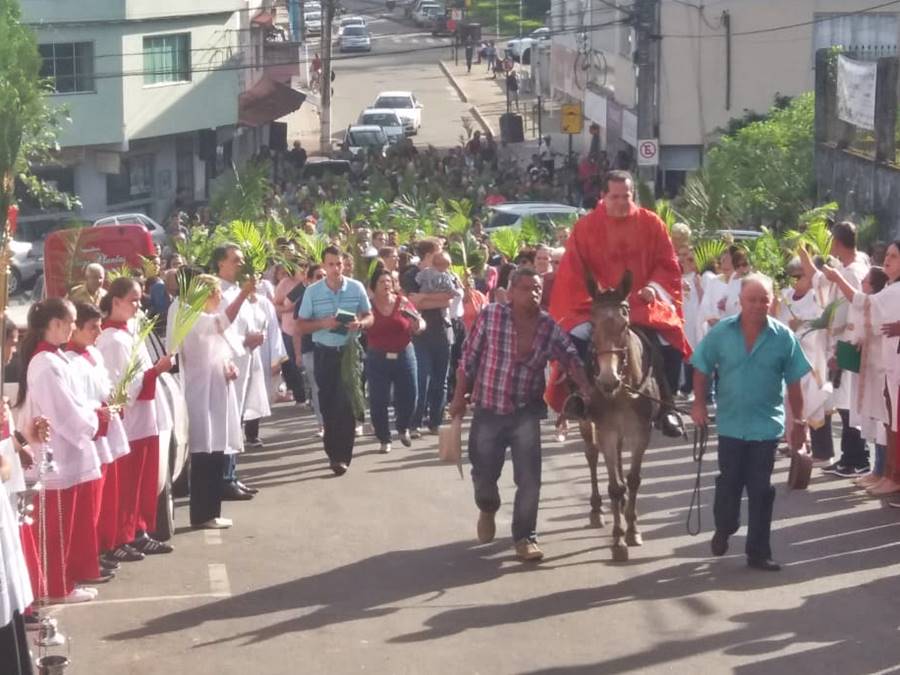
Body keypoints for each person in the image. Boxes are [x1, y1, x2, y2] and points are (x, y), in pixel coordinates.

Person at [449, 268, 591, 561]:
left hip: (525, 412)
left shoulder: (548, 326)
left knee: (529, 480)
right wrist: (459, 396)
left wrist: (588, 390)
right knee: (484, 474)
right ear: (511, 292)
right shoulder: (491, 316)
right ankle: (487, 508)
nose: (533, 293)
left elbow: (571, 359)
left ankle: (525, 537)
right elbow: (468, 358)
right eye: (526, 288)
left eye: (537, 288)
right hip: (488, 408)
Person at [548, 170, 688, 437]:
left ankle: (667, 406)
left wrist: (653, 287)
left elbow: (667, 264)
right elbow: (573, 272)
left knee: (671, 340)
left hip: (640, 304)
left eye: (627, 196)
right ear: (603, 196)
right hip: (596, 305)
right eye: (615, 197)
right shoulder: (585, 227)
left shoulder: (651, 223)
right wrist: (597, 296)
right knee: (572, 339)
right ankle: (578, 397)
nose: (622, 202)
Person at [690, 274, 810, 572]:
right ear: (740, 301)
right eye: (752, 299)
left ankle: (758, 553)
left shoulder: (784, 338)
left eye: (763, 300)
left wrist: (799, 421)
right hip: (731, 424)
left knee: (761, 490)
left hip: (765, 427)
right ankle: (725, 527)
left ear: (772, 301)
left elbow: (794, 384)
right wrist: (699, 403)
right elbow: (701, 367)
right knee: (729, 483)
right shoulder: (721, 333)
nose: (758, 305)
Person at [16, 298, 107, 602]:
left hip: (67, 450)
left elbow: (75, 402)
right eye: (70, 322)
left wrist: (92, 414)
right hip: (55, 453)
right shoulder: (45, 364)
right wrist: (92, 422)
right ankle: (55, 587)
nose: (73, 327)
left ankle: (63, 582)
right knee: (55, 527)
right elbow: (63, 411)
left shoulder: (55, 358)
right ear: (55, 324)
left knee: (66, 525)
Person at [97, 278, 175, 559]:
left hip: (144, 419)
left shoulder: (129, 332)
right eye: (133, 299)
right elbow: (121, 389)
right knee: (126, 485)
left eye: (140, 299)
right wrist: (156, 371)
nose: (138, 305)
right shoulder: (111, 340)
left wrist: (153, 371)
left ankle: (138, 532)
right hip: (128, 423)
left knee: (142, 482)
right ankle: (120, 538)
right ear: (116, 301)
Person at [820, 240, 900, 500]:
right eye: (888, 254)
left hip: (890, 367)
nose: (887, 259)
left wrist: (836, 278)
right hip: (887, 367)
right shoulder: (891, 289)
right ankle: (885, 473)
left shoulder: (896, 291)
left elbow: (861, 302)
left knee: (892, 425)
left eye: (894, 256)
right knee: (888, 424)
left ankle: (891, 475)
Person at [64, 303, 130, 584]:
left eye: (100, 325)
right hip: (87, 436)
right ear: (75, 328)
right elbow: (76, 402)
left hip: (103, 433)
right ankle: (84, 562)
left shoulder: (92, 353)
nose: (99, 332)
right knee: (87, 506)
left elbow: (104, 385)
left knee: (100, 502)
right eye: (93, 327)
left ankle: (96, 552)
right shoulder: (68, 361)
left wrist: (114, 398)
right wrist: (98, 412)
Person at [178, 274, 250, 529]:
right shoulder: (191, 317)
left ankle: (210, 511)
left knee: (215, 451)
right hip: (201, 393)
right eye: (218, 293)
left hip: (216, 390)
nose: (220, 298)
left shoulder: (203, 317)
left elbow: (219, 350)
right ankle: (202, 514)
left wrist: (229, 366)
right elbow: (222, 323)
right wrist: (243, 294)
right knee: (204, 454)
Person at [800, 223, 871, 477]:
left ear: (838, 242)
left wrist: (840, 349)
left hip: (849, 342)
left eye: (831, 239)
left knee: (849, 403)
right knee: (845, 402)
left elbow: (851, 310)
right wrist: (804, 257)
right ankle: (850, 457)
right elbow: (820, 282)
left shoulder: (852, 272)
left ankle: (857, 460)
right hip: (844, 341)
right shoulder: (851, 266)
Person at [297, 246, 373, 475]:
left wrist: (360, 324)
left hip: (349, 352)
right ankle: (332, 452)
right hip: (324, 353)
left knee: (347, 403)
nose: (335, 269)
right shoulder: (313, 292)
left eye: (338, 264)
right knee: (329, 403)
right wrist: (323, 323)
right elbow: (301, 325)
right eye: (330, 264)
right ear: (324, 265)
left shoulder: (356, 287)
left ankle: (343, 457)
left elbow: (369, 315)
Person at [212, 244, 267, 500]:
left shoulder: (238, 289)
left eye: (242, 260)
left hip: (246, 360)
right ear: (220, 263)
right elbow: (219, 328)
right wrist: (246, 340)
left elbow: (253, 321)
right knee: (227, 419)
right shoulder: (216, 291)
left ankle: (232, 474)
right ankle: (224, 478)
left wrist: (256, 335)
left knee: (237, 419)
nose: (241, 265)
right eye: (235, 260)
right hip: (228, 363)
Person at [401, 239, 457, 437]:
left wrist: (424, 298)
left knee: (441, 380)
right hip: (420, 334)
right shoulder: (411, 275)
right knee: (421, 378)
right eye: (438, 251)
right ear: (428, 255)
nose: (442, 254)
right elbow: (412, 303)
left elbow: (449, 298)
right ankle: (414, 423)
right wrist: (434, 300)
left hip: (443, 331)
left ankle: (435, 422)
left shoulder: (445, 271)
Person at [366, 269, 424, 453]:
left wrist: (418, 326)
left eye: (389, 281)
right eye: (382, 281)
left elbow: (419, 321)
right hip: (378, 357)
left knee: (410, 394)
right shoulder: (368, 305)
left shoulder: (402, 302)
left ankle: (403, 426)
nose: (386, 284)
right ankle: (384, 438)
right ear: (374, 286)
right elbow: (362, 323)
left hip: (404, 353)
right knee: (378, 399)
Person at [292, 264, 327, 438]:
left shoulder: (334, 296)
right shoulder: (303, 299)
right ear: (309, 280)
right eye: (318, 276)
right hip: (311, 350)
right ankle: (322, 425)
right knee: (318, 388)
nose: (322, 279)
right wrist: (298, 354)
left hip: (333, 348)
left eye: (324, 276)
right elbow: (297, 330)